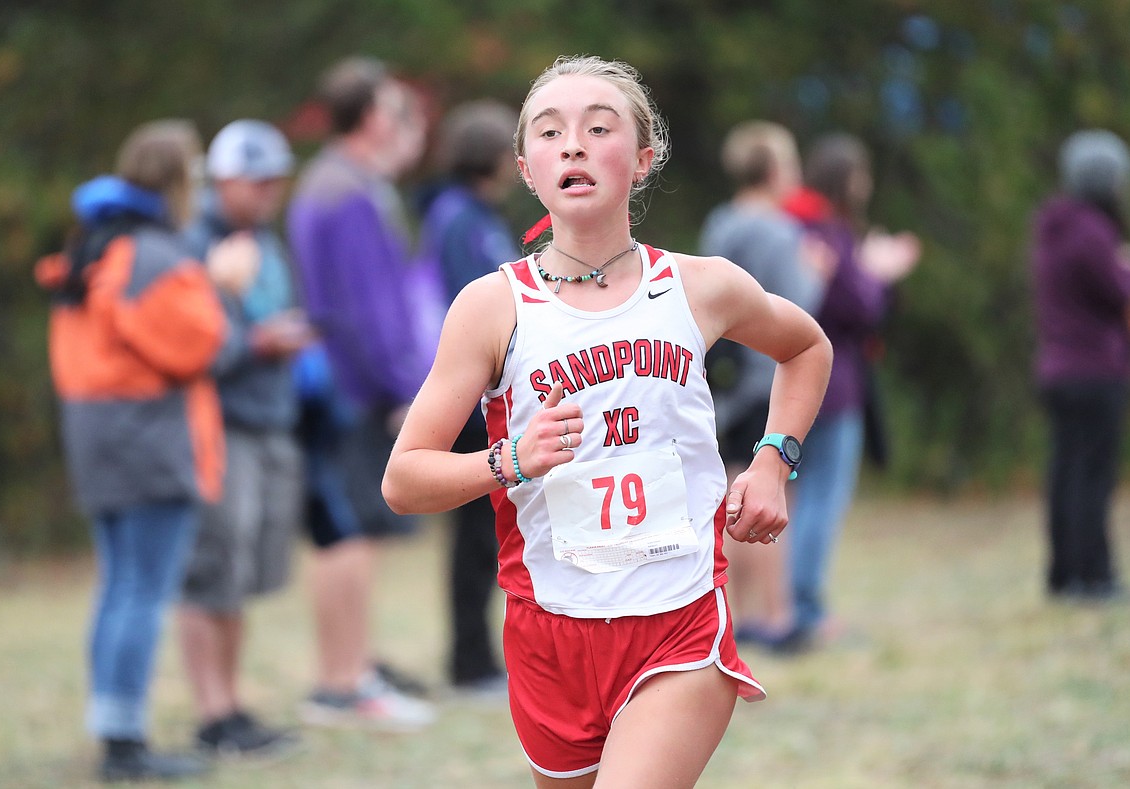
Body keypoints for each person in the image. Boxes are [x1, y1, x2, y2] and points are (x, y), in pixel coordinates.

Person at [382, 55, 833, 787]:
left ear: (644, 158)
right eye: (551, 132)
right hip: (549, 630)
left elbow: (807, 346)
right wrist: (511, 459)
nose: (574, 145)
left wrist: (774, 460)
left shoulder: (701, 285)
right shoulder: (491, 307)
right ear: (527, 167)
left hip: (678, 617)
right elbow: (403, 479)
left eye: (599, 127)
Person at [34, 120, 223, 782]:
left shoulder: (92, 243)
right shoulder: (160, 255)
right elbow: (199, 345)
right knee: (143, 589)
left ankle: (112, 723)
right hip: (149, 436)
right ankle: (125, 743)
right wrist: (221, 286)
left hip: (93, 433)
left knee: (117, 585)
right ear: (177, 180)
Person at [286, 55, 436, 729]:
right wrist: (406, 385)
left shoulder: (333, 181)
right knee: (347, 535)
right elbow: (371, 306)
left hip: (343, 383)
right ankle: (344, 683)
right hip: (353, 389)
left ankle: (351, 671)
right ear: (372, 115)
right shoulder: (349, 190)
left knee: (347, 533)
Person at [176, 119, 313, 756]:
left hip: (268, 420)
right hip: (218, 423)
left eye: (274, 181)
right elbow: (188, 341)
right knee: (212, 571)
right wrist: (258, 341)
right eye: (255, 182)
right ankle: (212, 713)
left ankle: (232, 705)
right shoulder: (191, 243)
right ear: (222, 180)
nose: (268, 193)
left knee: (243, 572)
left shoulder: (263, 240)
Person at [781, 132, 920, 650]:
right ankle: (808, 610)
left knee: (797, 497)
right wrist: (880, 272)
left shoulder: (790, 226)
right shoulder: (827, 231)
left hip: (793, 382)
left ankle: (789, 606)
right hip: (833, 385)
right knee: (821, 497)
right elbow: (860, 307)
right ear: (846, 181)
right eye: (861, 176)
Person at [698, 121, 829, 653]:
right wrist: (818, 271)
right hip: (766, 382)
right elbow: (801, 312)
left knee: (732, 495)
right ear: (775, 170)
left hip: (723, 384)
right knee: (772, 495)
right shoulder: (779, 232)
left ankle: (741, 613)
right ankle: (779, 616)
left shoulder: (720, 224)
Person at [415, 99, 522, 696]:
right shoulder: (461, 219)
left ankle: (478, 656)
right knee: (476, 534)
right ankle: (470, 661)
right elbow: (473, 305)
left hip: (483, 395)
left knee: (486, 532)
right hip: (467, 395)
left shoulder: (473, 214)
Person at [1031, 129, 1130, 602]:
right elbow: (1117, 294)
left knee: (1065, 474)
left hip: (1056, 369)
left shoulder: (1054, 226)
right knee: (1093, 477)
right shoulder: (1094, 231)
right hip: (1095, 369)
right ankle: (1094, 577)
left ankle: (1062, 574)